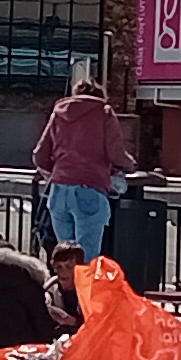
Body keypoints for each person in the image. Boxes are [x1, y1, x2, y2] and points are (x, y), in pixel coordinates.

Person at [32, 72, 126, 257]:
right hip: (89, 189)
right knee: (87, 256)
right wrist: (130, 165)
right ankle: (83, 278)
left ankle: (69, 277)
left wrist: (58, 172)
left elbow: (39, 155)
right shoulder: (104, 112)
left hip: (59, 191)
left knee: (66, 256)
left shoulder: (59, 112)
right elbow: (116, 153)